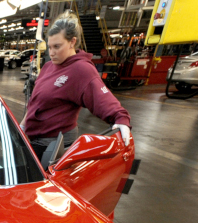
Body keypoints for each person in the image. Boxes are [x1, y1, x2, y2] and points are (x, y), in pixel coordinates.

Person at [22, 12, 131, 168]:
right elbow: (35, 102)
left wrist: (120, 118)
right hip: (34, 141)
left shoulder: (81, 70)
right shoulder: (49, 67)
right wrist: (22, 127)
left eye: (57, 47)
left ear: (72, 42)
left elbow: (102, 99)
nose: (51, 53)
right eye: (50, 47)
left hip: (53, 148)